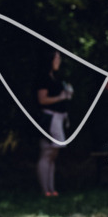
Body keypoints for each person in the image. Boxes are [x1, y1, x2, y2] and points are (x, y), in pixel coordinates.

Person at [35, 50, 72, 197]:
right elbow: (42, 100)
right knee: (47, 152)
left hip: (59, 118)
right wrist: (61, 97)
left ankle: (51, 188)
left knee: (53, 154)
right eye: (56, 58)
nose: (59, 60)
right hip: (49, 119)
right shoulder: (43, 78)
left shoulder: (54, 77)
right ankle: (45, 190)